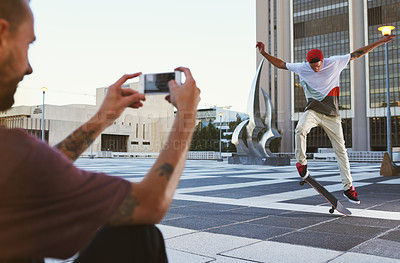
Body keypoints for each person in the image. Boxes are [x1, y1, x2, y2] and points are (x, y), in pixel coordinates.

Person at [0, 0, 200, 262]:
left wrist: (102, 119)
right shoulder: (13, 151)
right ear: (2, 35)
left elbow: (30, 173)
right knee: (138, 237)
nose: (29, 67)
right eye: (28, 44)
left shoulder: (13, 159)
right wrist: (186, 115)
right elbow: (150, 203)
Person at [256, 34, 395, 205]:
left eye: (318, 65)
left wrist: (380, 41)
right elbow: (281, 64)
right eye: (313, 66)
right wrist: (264, 53)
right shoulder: (302, 67)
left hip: (332, 116)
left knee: (341, 151)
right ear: (309, 63)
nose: (316, 68)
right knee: (300, 129)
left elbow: (358, 53)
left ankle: (348, 187)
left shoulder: (335, 62)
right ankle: (301, 163)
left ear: (322, 60)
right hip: (313, 111)